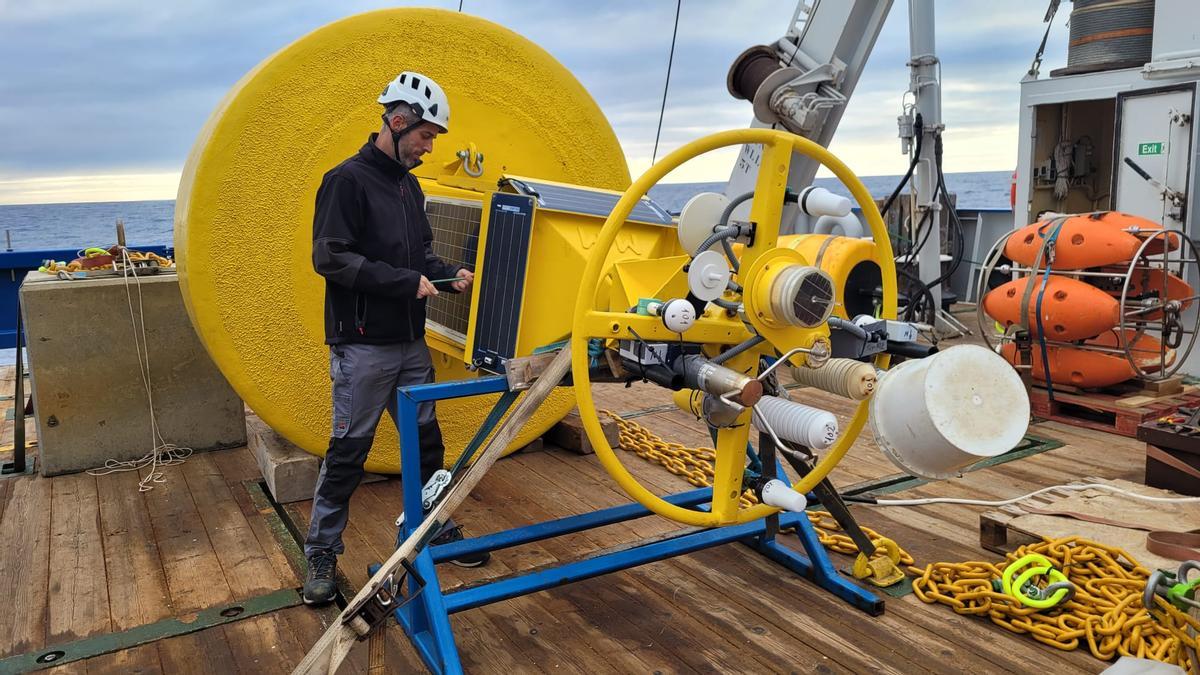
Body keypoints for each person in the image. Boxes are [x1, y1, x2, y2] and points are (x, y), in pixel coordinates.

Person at [303, 71, 488, 606]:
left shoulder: (410, 186)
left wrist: (448, 271)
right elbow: (329, 257)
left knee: (427, 442)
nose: (430, 148)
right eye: (426, 136)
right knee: (349, 451)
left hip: (410, 342)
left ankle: (432, 528)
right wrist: (407, 282)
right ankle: (321, 550)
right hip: (361, 345)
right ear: (398, 120)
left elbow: (419, 257)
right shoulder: (346, 180)